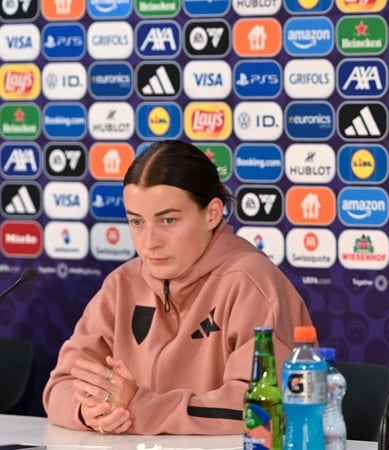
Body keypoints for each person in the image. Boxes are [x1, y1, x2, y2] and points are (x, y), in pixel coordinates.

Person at [43, 140, 314, 435]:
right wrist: (89, 411)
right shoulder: (122, 284)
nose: (150, 242)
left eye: (168, 220)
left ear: (212, 213)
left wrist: (141, 408)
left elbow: (263, 408)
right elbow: (61, 385)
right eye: (136, 222)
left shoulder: (252, 283)